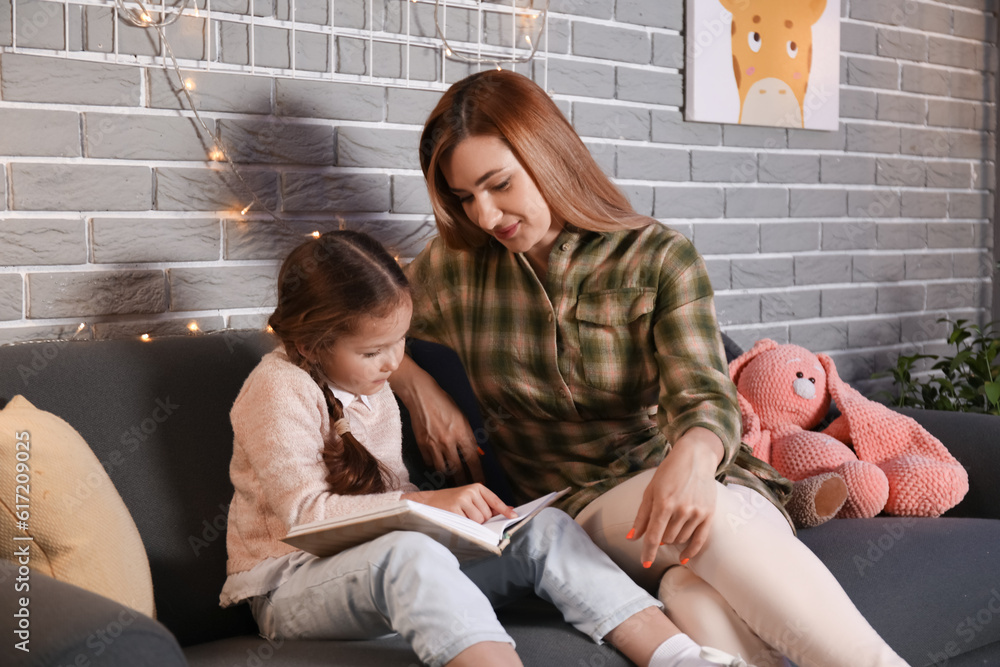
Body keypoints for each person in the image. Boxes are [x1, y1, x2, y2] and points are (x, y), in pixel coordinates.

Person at [389, 70, 910, 667]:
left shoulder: (659, 256)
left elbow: (703, 393)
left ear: (548, 156)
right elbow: (342, 332)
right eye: (464, 198)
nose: (484, 215)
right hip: (582, 508)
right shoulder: (454, 270)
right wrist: (416, 382)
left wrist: (693, 457)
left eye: (498, 184)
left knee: (691, 586)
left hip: (705, 484)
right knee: (709, 522)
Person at [219, 230, 753, 667]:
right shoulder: (277, 388)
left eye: (400, 342)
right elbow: (303, 517)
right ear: (314, 344)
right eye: (374, 350)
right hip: (290, 589)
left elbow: (384, 504)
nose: (392, 363)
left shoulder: (369, 388)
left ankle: (682, 659)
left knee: (544, 529)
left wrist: (462, 525)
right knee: (412, 555)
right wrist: (427, 505)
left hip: (380, 572)